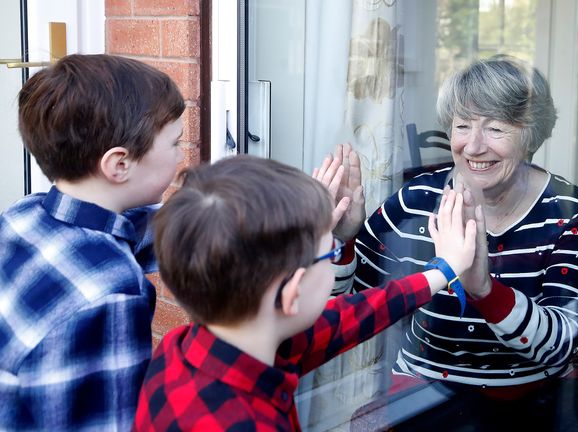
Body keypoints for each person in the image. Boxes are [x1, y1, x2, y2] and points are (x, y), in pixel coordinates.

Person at [331, 55, 578, 422]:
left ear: (531, 134)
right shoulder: (416, 200)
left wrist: (485, 291)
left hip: (534, 394)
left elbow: (564, 344)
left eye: (496, 129)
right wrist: (342, 243)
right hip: (424, 392)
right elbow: (347, 306)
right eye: (462, 126)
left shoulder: (568, 209)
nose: (473, 147)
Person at [132, 155, 477, 431]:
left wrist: (440, 273)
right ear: (292, 293)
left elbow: (352, 316)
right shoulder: (245, 422)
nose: (335, 262)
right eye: (329, 254)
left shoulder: (184, 347)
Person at [0, 54, 185, 430]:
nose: (182, 158)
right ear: (119, 164)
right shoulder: (112, 294)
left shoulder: (26, 216)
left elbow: (129, 232)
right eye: (175, 144)